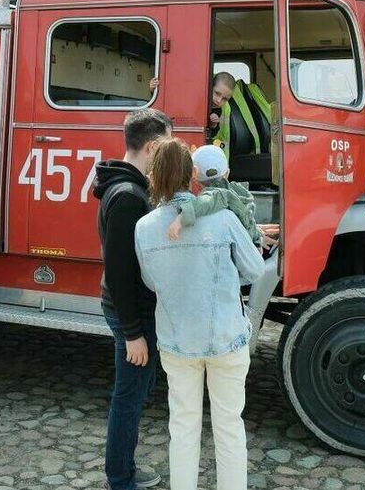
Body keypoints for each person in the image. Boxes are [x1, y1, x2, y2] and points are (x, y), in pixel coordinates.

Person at [134, 138, 265, 490]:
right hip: (227, 338)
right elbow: (254, 270)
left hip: (177, 340)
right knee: (229, 426)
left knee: (182, 427)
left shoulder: (144, 227)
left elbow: (150, 281)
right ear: (191, 174)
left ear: (153, 175)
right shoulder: (224, 218)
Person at [92, 108, 173, 490]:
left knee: (137, 389)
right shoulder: (127, 196)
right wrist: (133, 333)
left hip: (135, 311)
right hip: (132, 313)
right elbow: (120, 270)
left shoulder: (131, 188)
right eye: (167, 145)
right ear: (153, 146)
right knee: (128, 396)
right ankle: (120, 478)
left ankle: (123, 468)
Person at [167, 145, 277, 249]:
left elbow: (210, 199)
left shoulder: (220, 196)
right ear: (227, 173)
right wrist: (257, 236)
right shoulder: (238, 192)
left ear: (194, 177)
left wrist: (181, 217)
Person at [207, 71, 273, 160]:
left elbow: (213, 132)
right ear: (210, 87)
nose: (219, 101)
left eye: (224, 99)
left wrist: (213, 124)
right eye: (217, 93)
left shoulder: (218, 110)